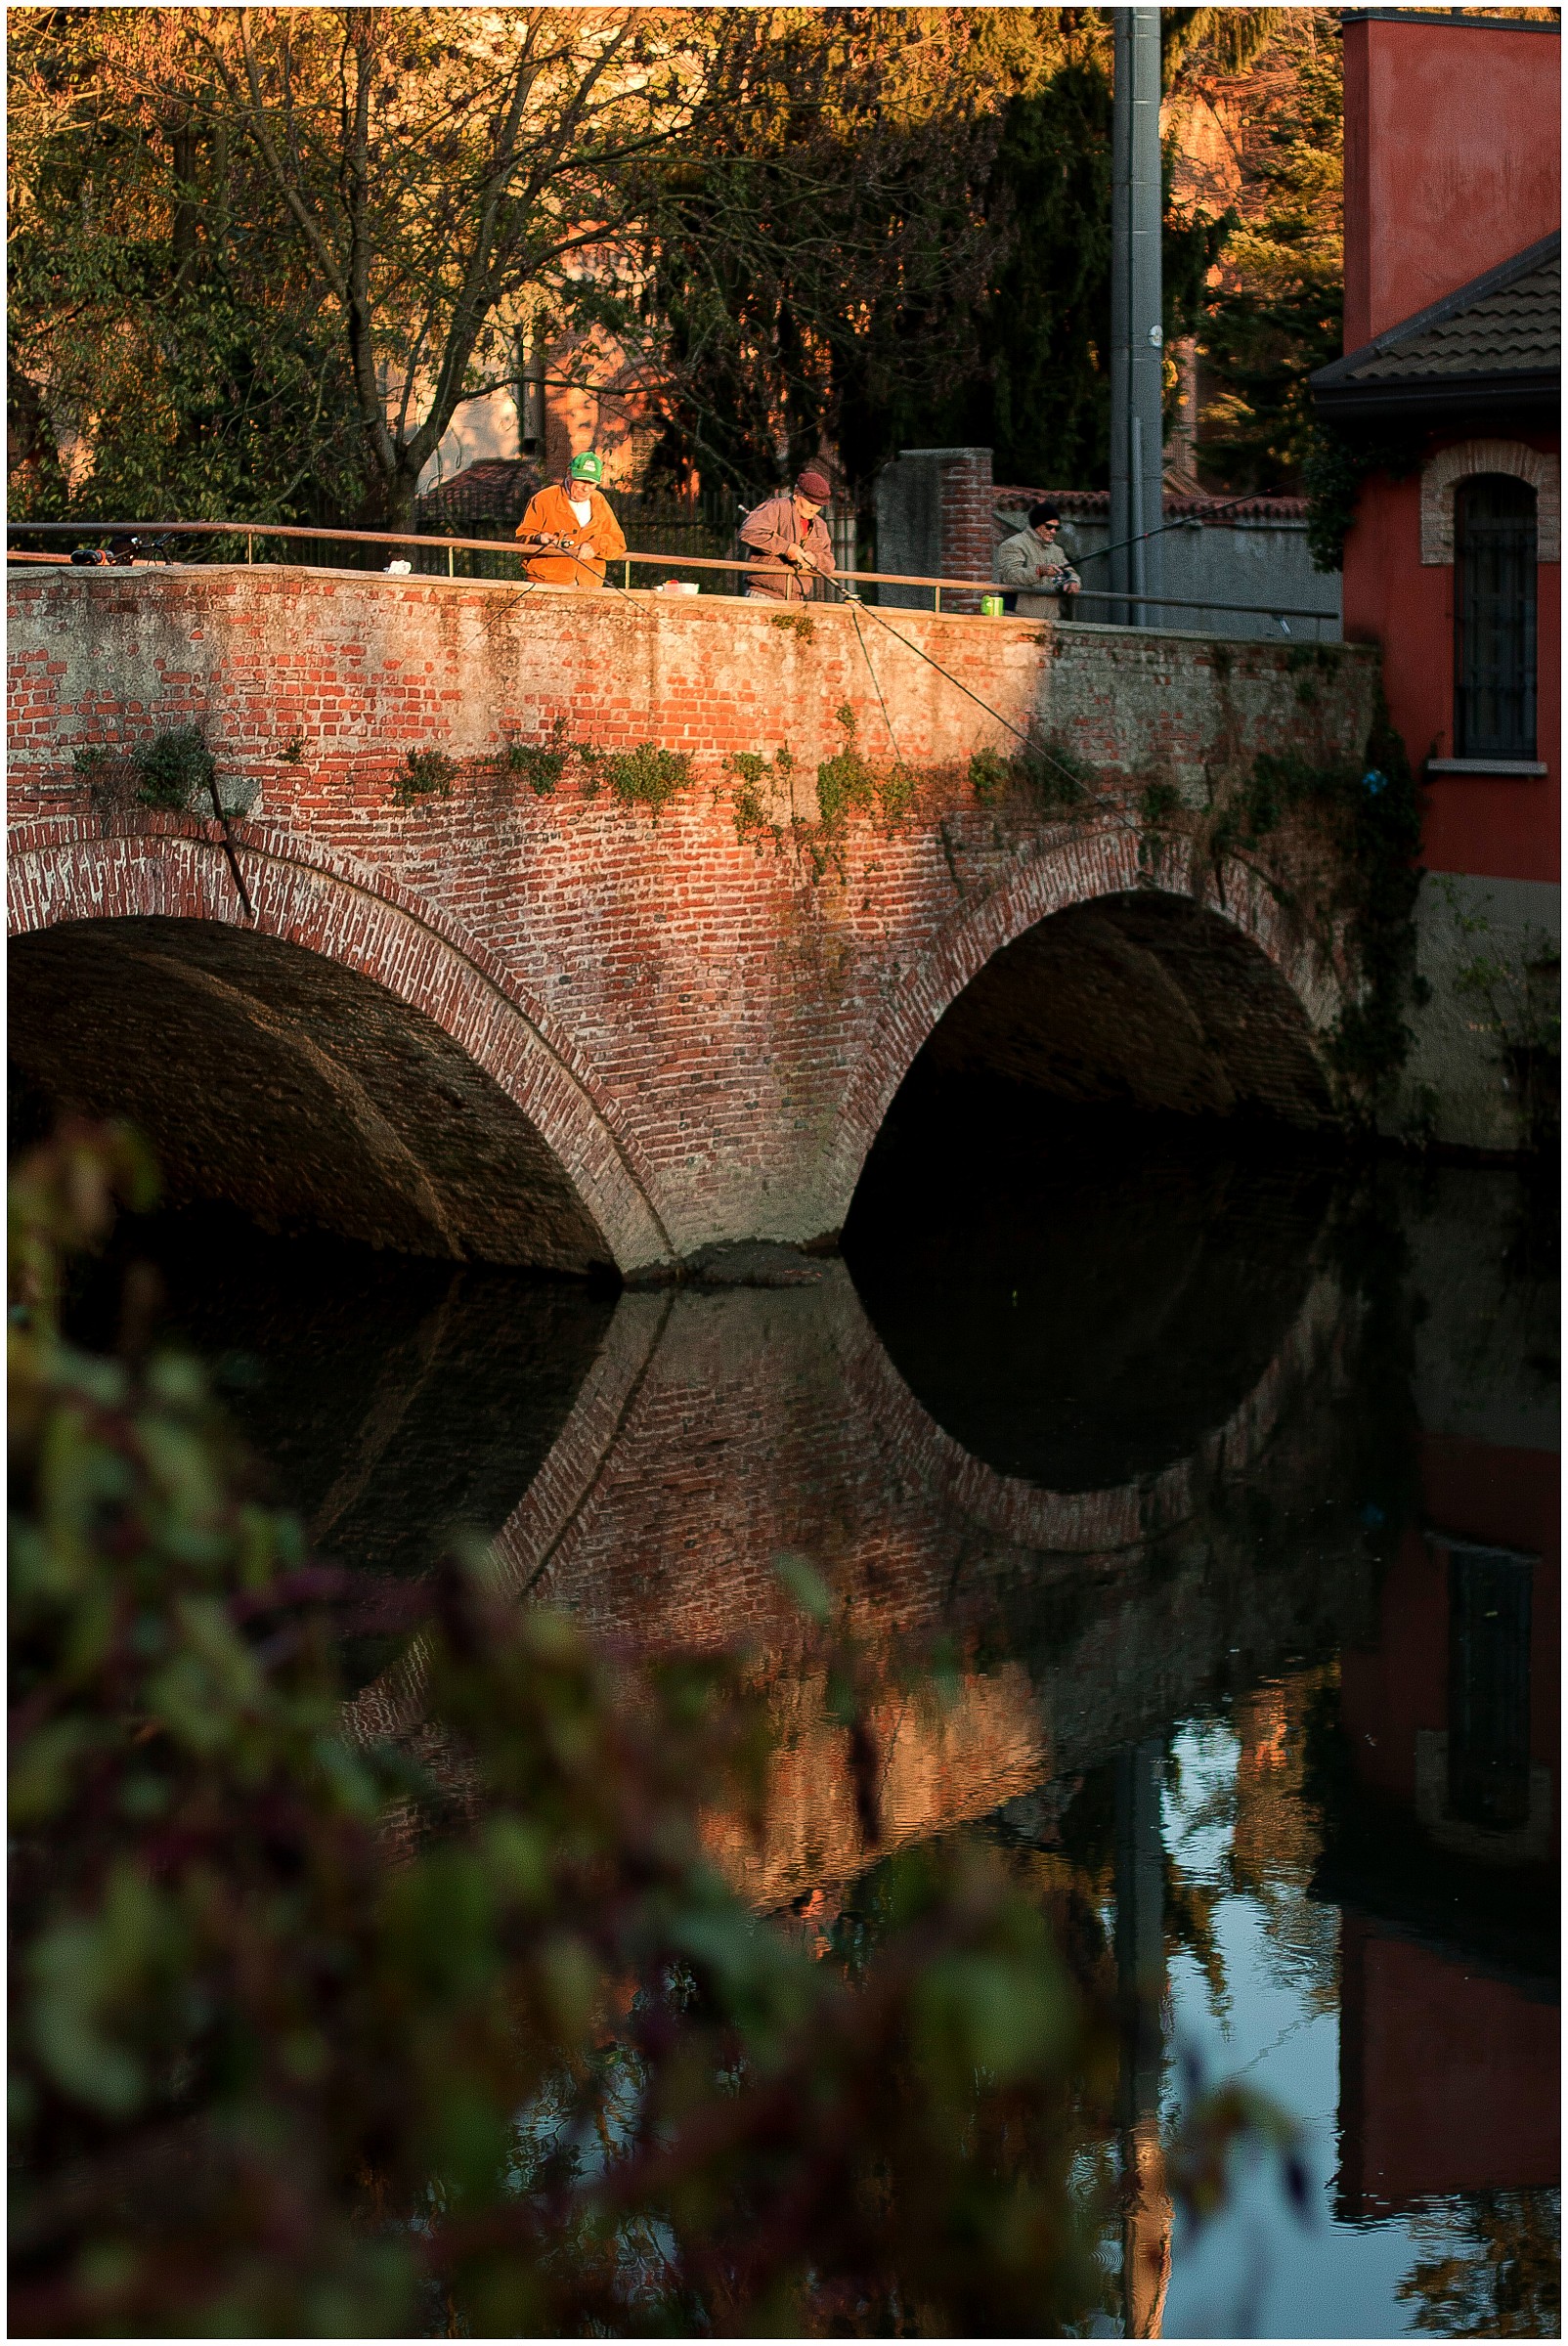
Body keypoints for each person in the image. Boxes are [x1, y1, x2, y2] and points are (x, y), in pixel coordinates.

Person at [514, 451, 627, 587]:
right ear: (569, 474)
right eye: (582, 481)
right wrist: (538, 539)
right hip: (547, 584)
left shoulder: (599, 501)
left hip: (588, 586)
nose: (586, 488)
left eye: (592, 483)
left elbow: (618, 542)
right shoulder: (544, 499)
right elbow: (521, 539)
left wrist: (596, 545)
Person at [738, 467, 836, 603]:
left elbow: (829, 562)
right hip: (763, 594)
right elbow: (748, 532)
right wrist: (786, 548)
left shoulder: (821, 526)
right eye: (811, 501)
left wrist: (814, 560)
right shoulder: (776, 507)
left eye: (819, 504)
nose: (814, 508)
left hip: (798, 599)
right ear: (797, 493)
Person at [995, 502, 1081, 617]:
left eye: (1057, 528)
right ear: (1037, 524)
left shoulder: (1057, 550)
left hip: (1051, 621)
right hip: (1017, 617)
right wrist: (1039, 571)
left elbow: (1070, 573)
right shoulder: (1013, 545)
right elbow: (1010, 576)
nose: (1053, 531)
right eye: (1049, 527)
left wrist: (1072, 582)